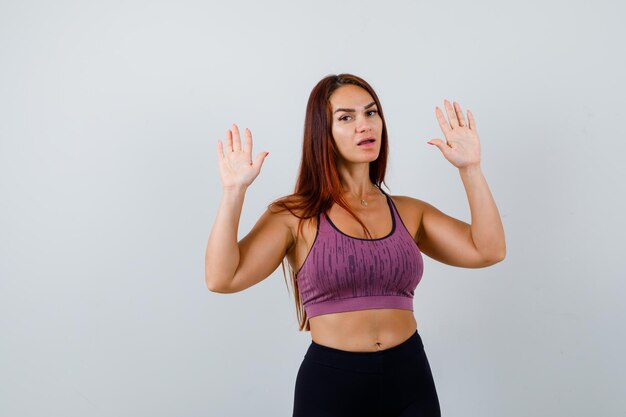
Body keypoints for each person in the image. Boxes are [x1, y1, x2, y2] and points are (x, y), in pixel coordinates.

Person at [205, 73, 506, 417]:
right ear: (324, 133)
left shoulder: (409, 212)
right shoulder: (294, 215)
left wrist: (471, 169)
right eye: (346, 117)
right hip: (332, 386)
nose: (365, 125)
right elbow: (222, 278)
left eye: (371, 113)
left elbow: (489, 250)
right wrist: (233, 193)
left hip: (410, 377)